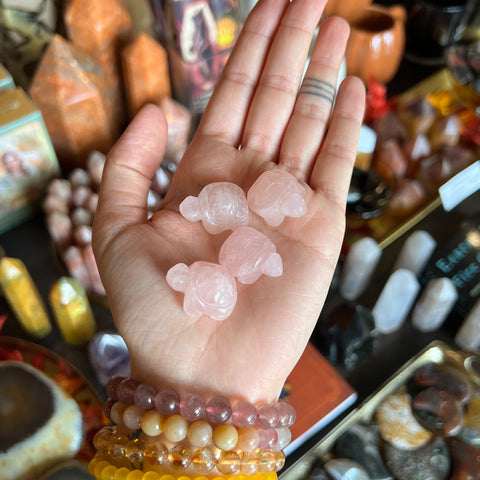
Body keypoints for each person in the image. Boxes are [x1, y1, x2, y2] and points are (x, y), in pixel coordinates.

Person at [92, 0, 365, 410]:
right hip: (229, 230)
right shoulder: (227, 237)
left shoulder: (244, 229)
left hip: (233, 229)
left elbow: (239, 238)